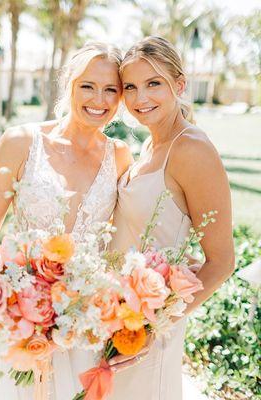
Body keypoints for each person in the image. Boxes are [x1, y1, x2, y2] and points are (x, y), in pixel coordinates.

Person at [0, 42, 133, 400]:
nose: (99, 99)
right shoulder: (20, 142)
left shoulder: (120, 155)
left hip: (85, 322)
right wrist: (14, 303)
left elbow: (117, 242)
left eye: (111, 89)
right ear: (69, 85)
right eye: (88, 86)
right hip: (21, 320)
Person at [108, 36, 235, 400]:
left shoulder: (191, 149)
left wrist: (153, 327)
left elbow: (222, 261)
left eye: (153, 84)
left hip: (150, 331)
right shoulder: (151, 145)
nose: (139, 98)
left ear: (179, 85)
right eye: (130, 87)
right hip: (121, 316)